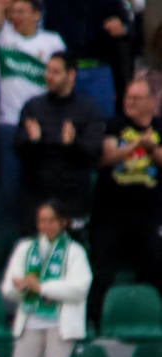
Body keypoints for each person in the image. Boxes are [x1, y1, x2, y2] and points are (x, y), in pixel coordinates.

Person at [0, 200, 90, 357]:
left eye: (51, 220)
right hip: (30, 319)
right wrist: (21, 287)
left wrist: (43, 288)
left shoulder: (74, 252)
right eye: (42, 220)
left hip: (60, 324)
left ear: (62, 222)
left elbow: (80, 288)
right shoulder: (25, 248)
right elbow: (8, 287)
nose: (46, 225)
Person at [0, 0, 64, 255]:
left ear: (37, 14)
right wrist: (0, 7)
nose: (16, 16)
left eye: (22, 11)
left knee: (41, 194)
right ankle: (4, 257)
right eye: (13, 11)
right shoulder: (3, 36)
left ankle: (43, 252)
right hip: (9, 125)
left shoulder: (52, 41)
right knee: (7, 193)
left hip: (43, 127)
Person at [87, 79, 162, 333]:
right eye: (127, 97)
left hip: (148, 216)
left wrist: (152, 150)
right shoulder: (113, 125)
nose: (129, 102)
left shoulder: (160, 127)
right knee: (102, 274)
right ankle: (95, 326)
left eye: (136, 98)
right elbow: (107, 156)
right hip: (110, 214)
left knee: (155, 270)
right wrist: (136, 145)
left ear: (152, 102)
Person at [15, 52, 104, 231]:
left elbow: (94, 152)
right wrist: (33, 140)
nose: (49, 76)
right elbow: (18, 148)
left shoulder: (88, 108)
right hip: (37, 194)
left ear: (71, 75)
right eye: (48, 71)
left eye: (55, 72)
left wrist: (73, 143)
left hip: (72, 197)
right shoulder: (33, 106)